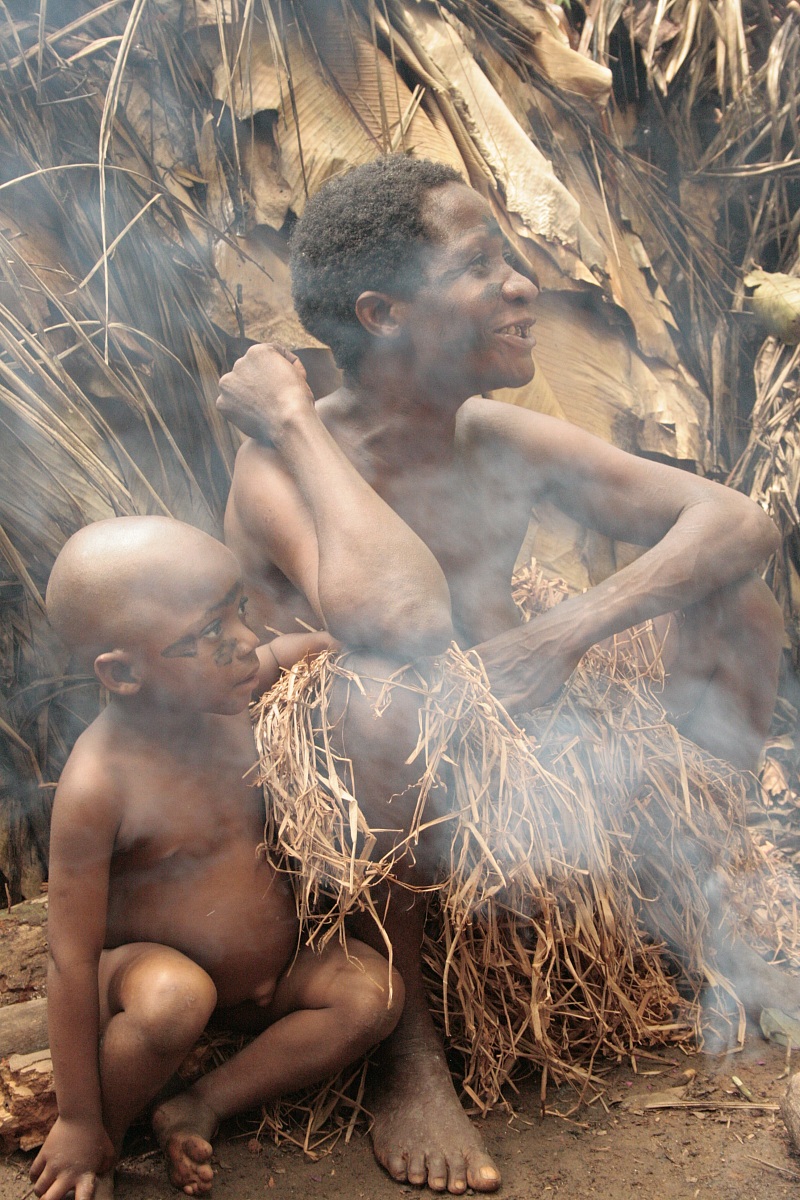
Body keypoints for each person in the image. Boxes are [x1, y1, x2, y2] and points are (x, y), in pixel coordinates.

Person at [218, 156, 795, 1195]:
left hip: (528, 766)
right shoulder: (282, 460)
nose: (523, 286)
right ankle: (403, 1045)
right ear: (382, 313)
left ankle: (703, 919)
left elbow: (737, 521)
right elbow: (397, 622)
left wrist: (564, 632)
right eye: (481, 266)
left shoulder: (489, 433)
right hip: (361, 806)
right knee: (383, 692)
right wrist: (297, 423)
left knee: (737, 602)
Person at [31, 516, 404, 1200]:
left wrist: (352, 648)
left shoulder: (230, 692)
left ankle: (200, 1103)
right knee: (175, 1000)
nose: (246, 641)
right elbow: (71, 958)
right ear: (123, 673)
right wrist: (76, 1117)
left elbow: (295, 650)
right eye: (211, 632)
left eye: (239, 609)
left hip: (275, 976)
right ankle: (103, 1139)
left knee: (371, 996)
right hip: (152, 980)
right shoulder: (99, 785)